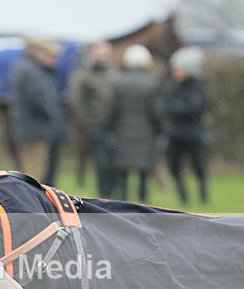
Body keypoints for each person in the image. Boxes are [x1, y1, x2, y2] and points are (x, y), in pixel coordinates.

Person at [10, 36, 70, 186]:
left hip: (37, 130)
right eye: (49, 54)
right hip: (35, 132)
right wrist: (57, 117)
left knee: (38, 175)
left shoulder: (34, 69)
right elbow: (41, 102)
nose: (54, 59)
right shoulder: (30, 71)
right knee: (33, 177)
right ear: (36, 52)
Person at [107, 44, 162, 203]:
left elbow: (113, 111)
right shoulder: (152, 83)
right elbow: (156, 112)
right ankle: (143, 202)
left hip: (122, 131)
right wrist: (160, 131)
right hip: (146, 133)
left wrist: (110, 130)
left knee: (123, 173)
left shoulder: (119, 83)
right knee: (143, 172)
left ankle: (122, 202)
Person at [68, 40, 117, 198]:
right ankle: (103, 194)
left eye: (105, 54)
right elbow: (76, 101)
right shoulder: (82, 75)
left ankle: (112, 191)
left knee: (113, 161)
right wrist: (86, 123)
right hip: (94, 124)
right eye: (99, 54)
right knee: (101, 161)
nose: (103, 58)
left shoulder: (113, 74)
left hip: (113, 125)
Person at [164, 46, 209, 205]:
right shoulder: (173, 87)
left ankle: (203, 195)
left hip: (193, 134)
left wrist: (178, 108)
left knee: (199, 167)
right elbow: (167, 107)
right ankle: (183, 198)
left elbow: (194, 108)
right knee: (175, 168)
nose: (176, 72)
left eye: (179, 69)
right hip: (176, 134)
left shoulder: (198, 86)